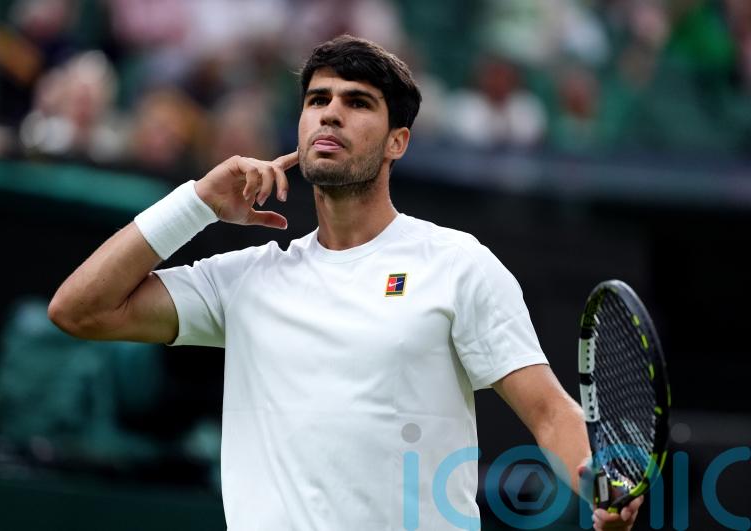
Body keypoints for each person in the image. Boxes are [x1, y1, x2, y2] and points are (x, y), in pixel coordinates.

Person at [49, 35, 642, 530]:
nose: (330, 112)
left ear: (397, 142)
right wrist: (197, 202)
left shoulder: (458, 264)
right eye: (317, 99)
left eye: (357, 102)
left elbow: (548, 412)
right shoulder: (249, 279)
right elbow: (80, 309)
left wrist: (598, 480)